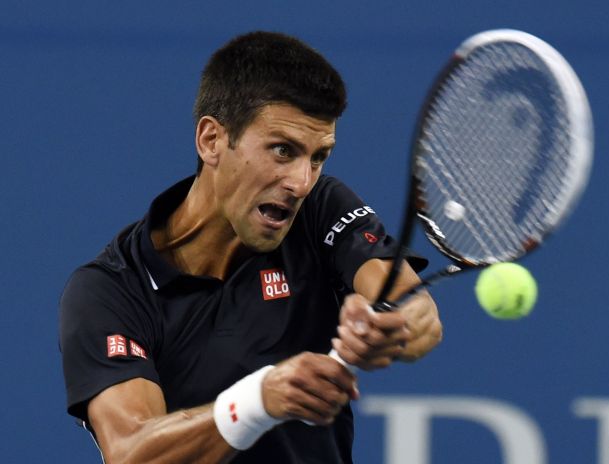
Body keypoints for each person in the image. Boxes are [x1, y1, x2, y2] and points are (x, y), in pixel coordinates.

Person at [59, 31, 442, 463]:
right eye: (282, 150)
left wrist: (390, 326)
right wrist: (258, 401)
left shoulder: (320, 209)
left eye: (318, 157)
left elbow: (413, 306)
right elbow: (132, 452)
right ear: (211, 141)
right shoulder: (110, 290)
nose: (301, 182)